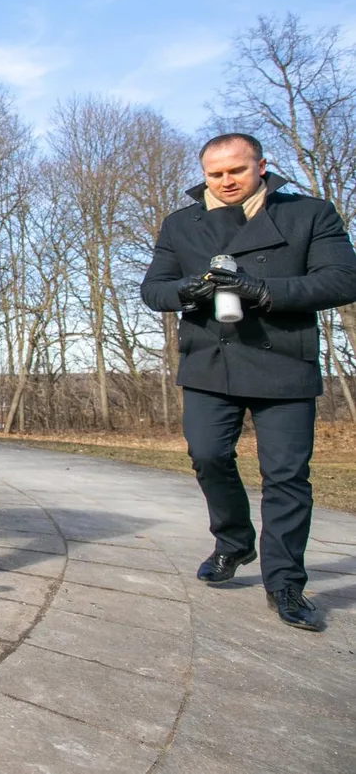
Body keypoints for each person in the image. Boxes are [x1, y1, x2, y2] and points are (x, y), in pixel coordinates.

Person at [141, 133, 356, 632]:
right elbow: (154, 289)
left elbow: (343, 279)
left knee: (285, 475)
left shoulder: (308, 214)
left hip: (282, 361)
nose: (225, 181)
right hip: (208, 363)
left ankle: (284, 582)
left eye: (236, 170)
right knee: (208, 455)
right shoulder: (181, 223)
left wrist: (263, 290)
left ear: (261, 166)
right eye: (215, 174)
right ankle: (234, 541)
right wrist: (186, 291)